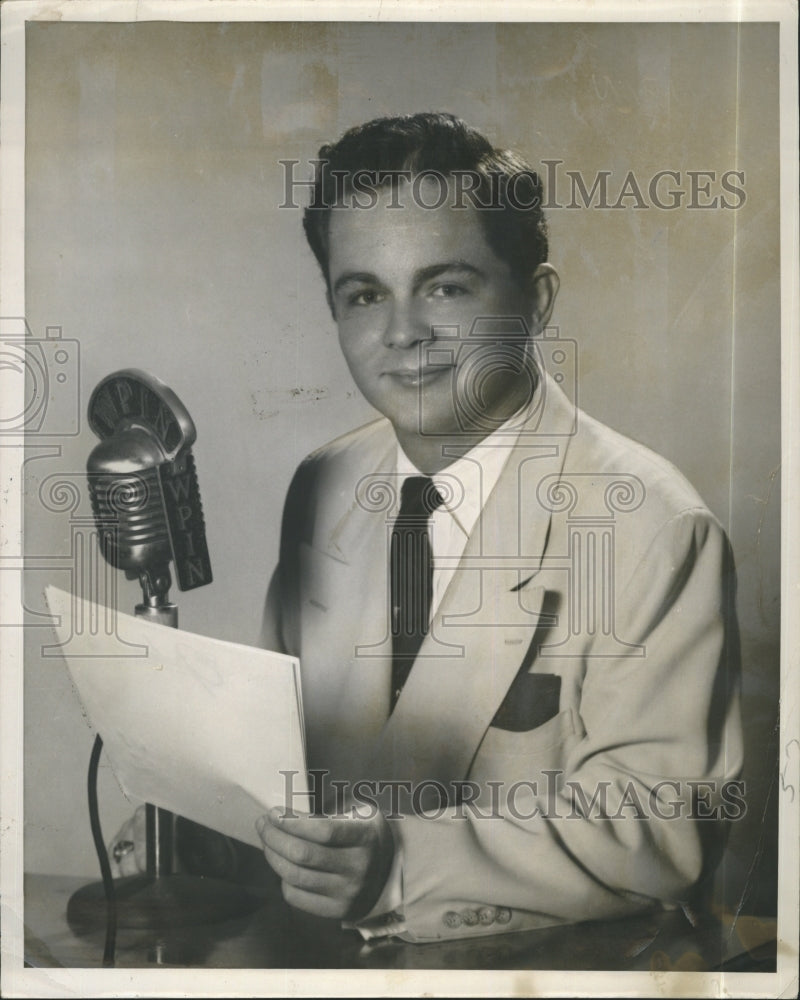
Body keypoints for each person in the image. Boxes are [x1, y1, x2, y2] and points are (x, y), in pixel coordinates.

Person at [112, 112, 743, 944]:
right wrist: (210, 829)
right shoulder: (324, 487)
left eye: (446, 286)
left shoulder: (653, 526)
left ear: (538, 299)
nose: (403, 332)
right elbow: (282, 772)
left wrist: (399, 861)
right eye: (365, 294)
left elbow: (662, 834)